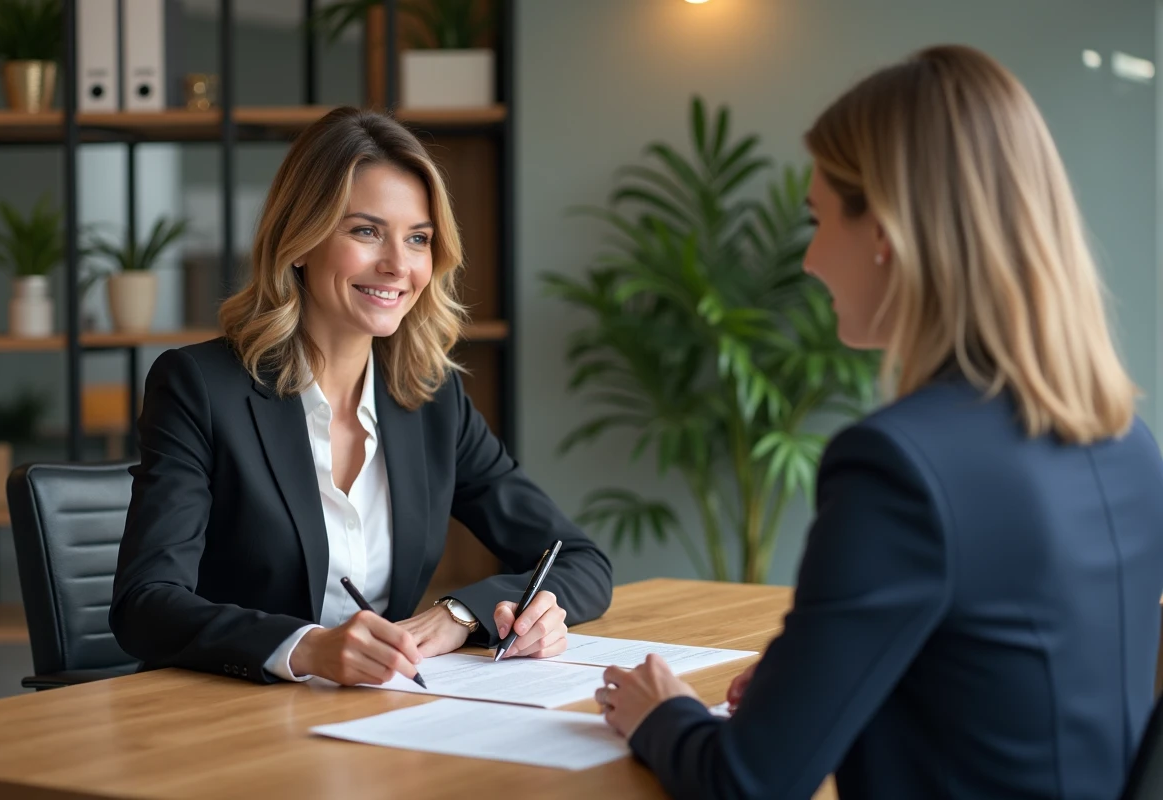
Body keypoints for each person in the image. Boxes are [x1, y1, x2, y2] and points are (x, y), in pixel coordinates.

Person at [595, 44, 1163, 799]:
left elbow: (749, 781)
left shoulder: (900, 466)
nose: (808, 261)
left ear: (885, 234)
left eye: (818, 218)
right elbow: (1020, 686)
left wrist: (659, 713)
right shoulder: (1127, 441)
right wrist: (838, 678)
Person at [110, 107, 613, 687]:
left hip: (379, 715)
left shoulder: (431, 400)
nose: (398, 265)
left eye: (418, 239)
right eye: (366, 231)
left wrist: (464, 613)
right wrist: (305, 649)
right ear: (299, 241)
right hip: (230, 716)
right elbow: (145, 604)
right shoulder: (200, 386)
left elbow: (580, 561)